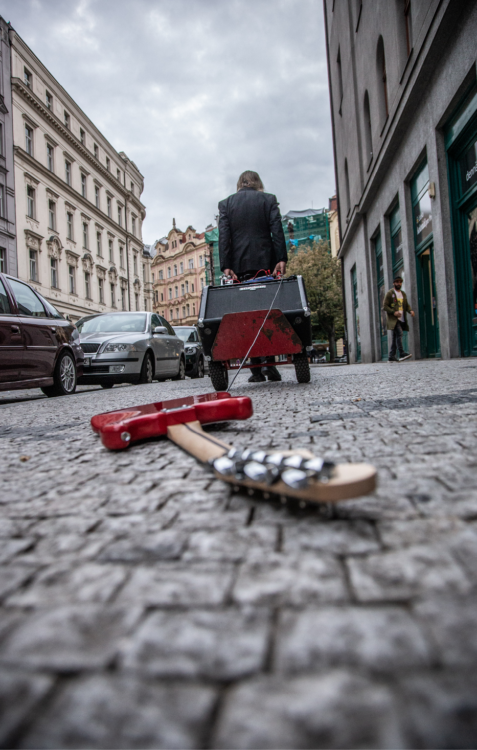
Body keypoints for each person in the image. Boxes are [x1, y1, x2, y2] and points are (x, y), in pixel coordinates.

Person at [218, 170, 287, 382]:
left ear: (240, 184)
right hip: (266, 264)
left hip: (240, 268)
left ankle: (255, 370)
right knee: (268, 312)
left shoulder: (226, 204)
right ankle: (269, 365)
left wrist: (226, 265)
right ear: (258, 183)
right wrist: (281, 259)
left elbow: (224, 237)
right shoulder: (268, 200)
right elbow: (277, 230)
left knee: (246, 316)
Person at [383, 275, 415, 361]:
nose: (399, 283)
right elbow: (385, 306)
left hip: (402, 318)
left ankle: (391, 356)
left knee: (394, 337)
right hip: (393, 319)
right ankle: (401, 353)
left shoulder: (403, 294)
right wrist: (394, 312)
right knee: (400, 333)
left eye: (400, 282)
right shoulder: (390, 293)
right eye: (397, 282)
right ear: (394, 283)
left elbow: (406, 305)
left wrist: (410, 310)